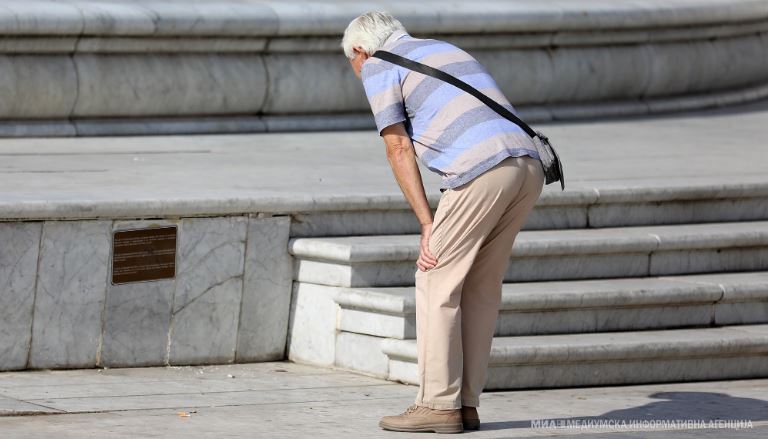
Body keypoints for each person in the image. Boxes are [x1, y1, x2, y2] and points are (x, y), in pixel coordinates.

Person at [342, 11, 545, 434]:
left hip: (480, 172)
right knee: (480, 285)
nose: (358, 74)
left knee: (435, 277)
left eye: (353, 66)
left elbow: (397, 146)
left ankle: (437, 403)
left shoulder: (380, 63)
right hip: (527, 166)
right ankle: (465, 404)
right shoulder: (444, 49)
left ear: (360, 50)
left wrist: (425, 221)